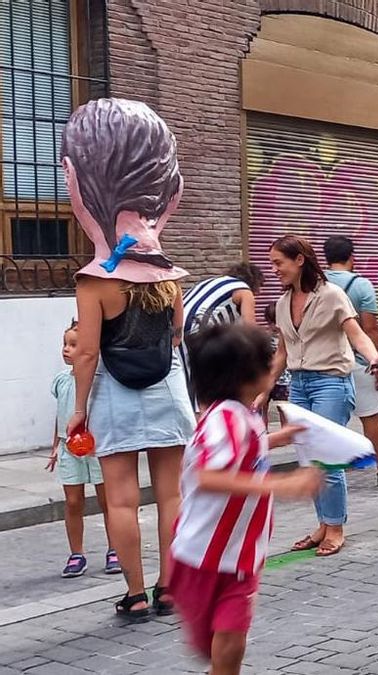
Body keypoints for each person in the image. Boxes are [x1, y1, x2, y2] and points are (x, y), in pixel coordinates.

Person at [62, 98, 197, 620]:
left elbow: (87, 352)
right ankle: (170, 588)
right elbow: (177, 333)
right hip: (167, 386)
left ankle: (136, 594)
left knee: (120, 499)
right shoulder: (168, 275)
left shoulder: (95, 280)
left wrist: (78, 410)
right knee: (172, 495)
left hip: (112, 392)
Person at [172, 322, 321, 675]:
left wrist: (279, 438)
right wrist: (280, 485)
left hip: (240, 557)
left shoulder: (244, 414)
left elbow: (245, 450)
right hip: (202, 555)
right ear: (242, 376)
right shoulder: (223, 419)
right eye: (266, 364)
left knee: (232, 636)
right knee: (210, 645)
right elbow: (208, 476)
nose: (273, 369)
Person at [265, 235, 378, 557]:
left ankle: (335, 527)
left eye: (278, 263)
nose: (274, 269)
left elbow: (357, 334)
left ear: (299, 260)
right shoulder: (282, 303)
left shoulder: (332, 295)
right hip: (299, 385)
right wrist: (262, 392)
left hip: (330, 383)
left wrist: (374, 358)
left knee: (326, 457)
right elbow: (282, 353)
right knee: (309, 459)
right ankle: (323, 523)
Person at [323, 235, 378, 487]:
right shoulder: (361, 285)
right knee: (370, 418)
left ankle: (329, 474)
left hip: (325, 362)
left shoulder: (316, 284)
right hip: (358, 361)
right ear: (352, 257)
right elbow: (371, 328)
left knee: (329, 423)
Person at [47, 321, 120, 578]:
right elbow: (61, 415)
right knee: (73, 501)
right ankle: (76, 553)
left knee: (107, 501)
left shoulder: (100, 382)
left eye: (73, 345)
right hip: (69, 449)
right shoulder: (61, 381)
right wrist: (55, 446)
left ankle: (115, 549)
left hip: (97, 450)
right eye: (64, 344)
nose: (66, 349)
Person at [181, 263, 266, 410]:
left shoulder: (210, 283)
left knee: (188, 385)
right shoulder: (245, 291)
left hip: (175, 331)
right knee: (205, 389)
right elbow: (250, 331)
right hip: (200, 331)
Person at [261, 303, 291, 429]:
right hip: (267, 377)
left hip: (284, 379)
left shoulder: (288, 336)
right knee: (263, 407)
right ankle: (262, 431)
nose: (274, 326)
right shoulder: (265, 338)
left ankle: (285, 431)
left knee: (283, 409)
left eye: (276, 322)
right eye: (270, 322)